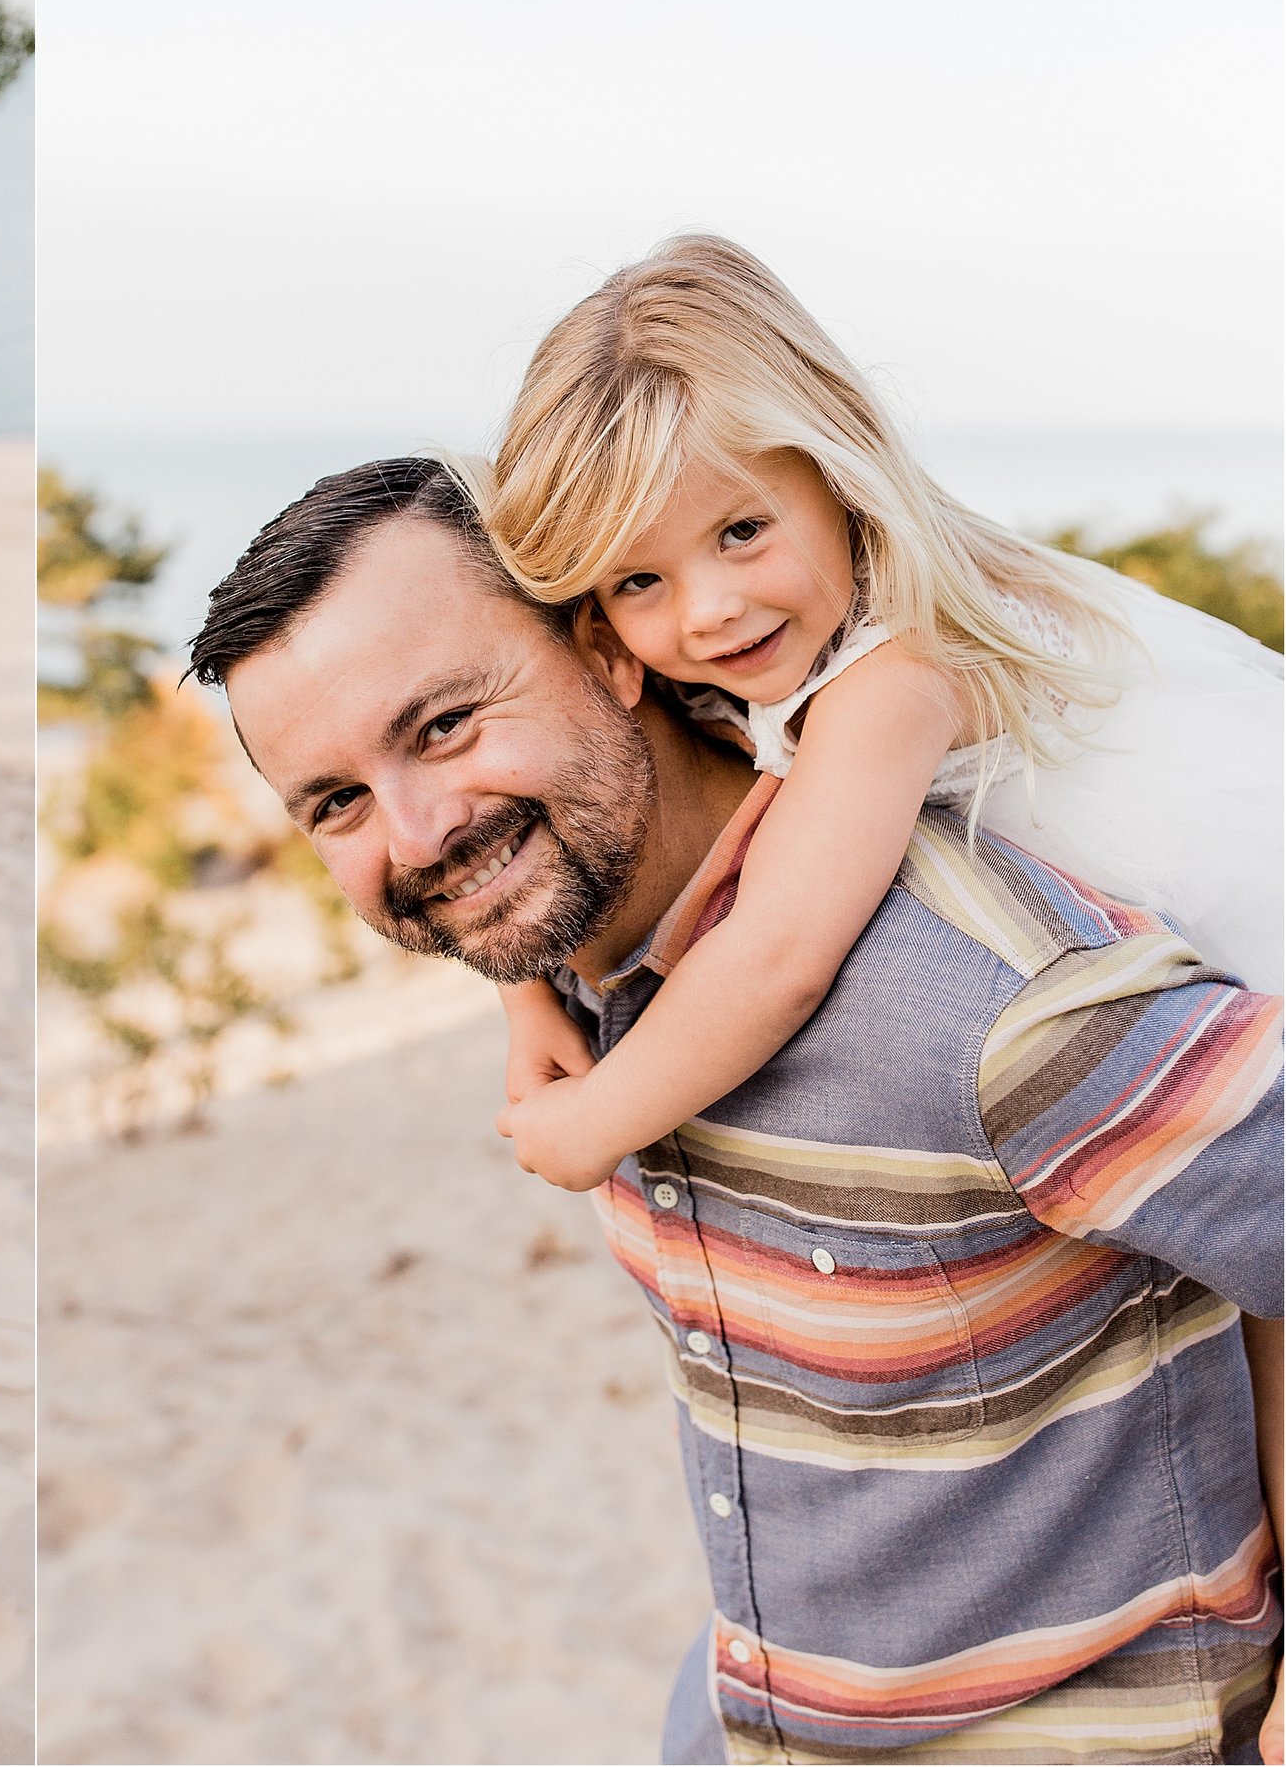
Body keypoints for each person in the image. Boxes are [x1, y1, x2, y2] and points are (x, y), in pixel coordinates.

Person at [190, 455, 1282, 1763]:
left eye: (444, 723)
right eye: (338, 801)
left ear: (610, 651)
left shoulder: (979, 1006)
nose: (416, 833)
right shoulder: (590, 956)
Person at [475, 234, 1282, 1196]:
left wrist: (597, 1124)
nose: (709, 609)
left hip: (1239, 910)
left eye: (741, 531)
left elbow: (780, 955)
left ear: (835, 472)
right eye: (640, 579)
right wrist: (527, 995)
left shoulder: (896, 672)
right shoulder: (774, 626)